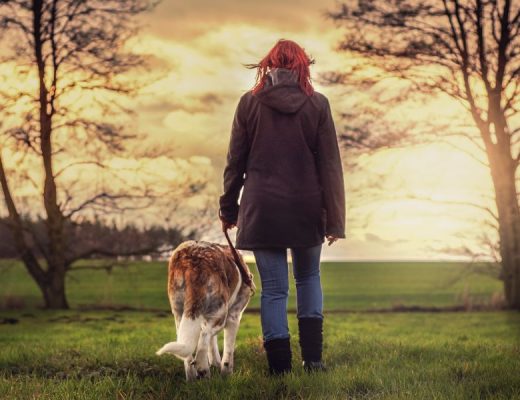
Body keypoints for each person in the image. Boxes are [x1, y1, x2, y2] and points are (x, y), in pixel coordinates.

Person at [218, 38, 346, 376]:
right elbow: (330, 166)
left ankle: (279, 370)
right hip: (307, 208)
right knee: (308, 278)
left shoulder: (249, 104)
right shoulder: (318, 104)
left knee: (274, 290)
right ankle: (313, 362)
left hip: (263, 209)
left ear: (267, 66)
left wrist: (228, 209)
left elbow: (235, 163)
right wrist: (335, 221)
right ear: (303, 67)